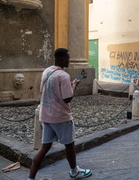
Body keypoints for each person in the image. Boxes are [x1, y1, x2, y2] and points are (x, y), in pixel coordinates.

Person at [28, 48, 92, 180]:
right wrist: (74, 86)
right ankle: (74, 172)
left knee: (45, 147)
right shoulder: (63, 75)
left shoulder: (47, 71)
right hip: (60, 116)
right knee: (69, 144)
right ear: (63, 58)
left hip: (46, 115)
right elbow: (67, 98)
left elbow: (43, 90)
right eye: (68, 58)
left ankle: (31, 178)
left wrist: (68, 85)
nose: (69, 60)